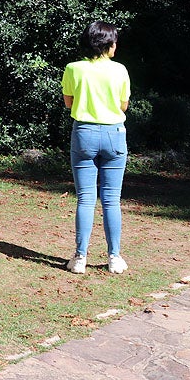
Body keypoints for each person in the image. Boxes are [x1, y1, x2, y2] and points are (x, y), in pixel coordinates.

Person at [61, 22, 130, 275]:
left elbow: (69, 103)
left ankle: (80, 257)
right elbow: (123, 105)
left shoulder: (73, 69)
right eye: (114, 41)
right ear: (107, 44)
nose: (116, 45)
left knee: (86, 199)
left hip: (84, 133)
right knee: (111, 200)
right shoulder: (120, 70)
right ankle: (114, 257)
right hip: (114, 134)